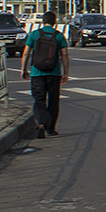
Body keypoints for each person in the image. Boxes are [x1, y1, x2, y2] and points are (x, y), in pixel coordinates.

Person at [20, 10, 70, 139]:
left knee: (39, 101)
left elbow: (26, 52)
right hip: (54, 73)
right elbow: (64, 55)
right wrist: (66, 72)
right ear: (54, 22)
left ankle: (42, 123)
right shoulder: (59, 36)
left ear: (43, 21)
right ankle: (51, 129)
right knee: (53, 101)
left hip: (37, 73)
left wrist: (23, 69)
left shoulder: (34, 34)